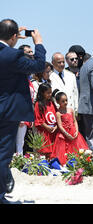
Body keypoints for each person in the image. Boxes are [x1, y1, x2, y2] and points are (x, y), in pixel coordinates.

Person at [0, 18, 46, 204]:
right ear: (14, 36)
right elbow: (38, 66)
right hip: (7, 111)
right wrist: (39, 44)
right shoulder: (13, 56)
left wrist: (10, 36)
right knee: (4, 152)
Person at [53, 90, 88, 165]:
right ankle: (67, 163)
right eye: (63, 101)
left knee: (76, 148)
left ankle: (77, 162)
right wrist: (67, 134)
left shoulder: (70, 110)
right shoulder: (58, 113)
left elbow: (75, 121)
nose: (65, 102)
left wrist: (77, 130)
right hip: (64, 134)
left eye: (66, 100)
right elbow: (60, 126)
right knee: (65, 150)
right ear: (58, 102)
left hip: (73, 131)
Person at [34, 83, 57, 158]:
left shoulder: (52, 103)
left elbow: (56, 115)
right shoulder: (38, 104)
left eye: (51, 92)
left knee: (54, 151)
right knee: (45, 151)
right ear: (42, 93)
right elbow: (38, 119)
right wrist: (47, 127)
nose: (50, 94)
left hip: (53, 131)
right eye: (48, 93)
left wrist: (56, 127)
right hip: (44, 132)